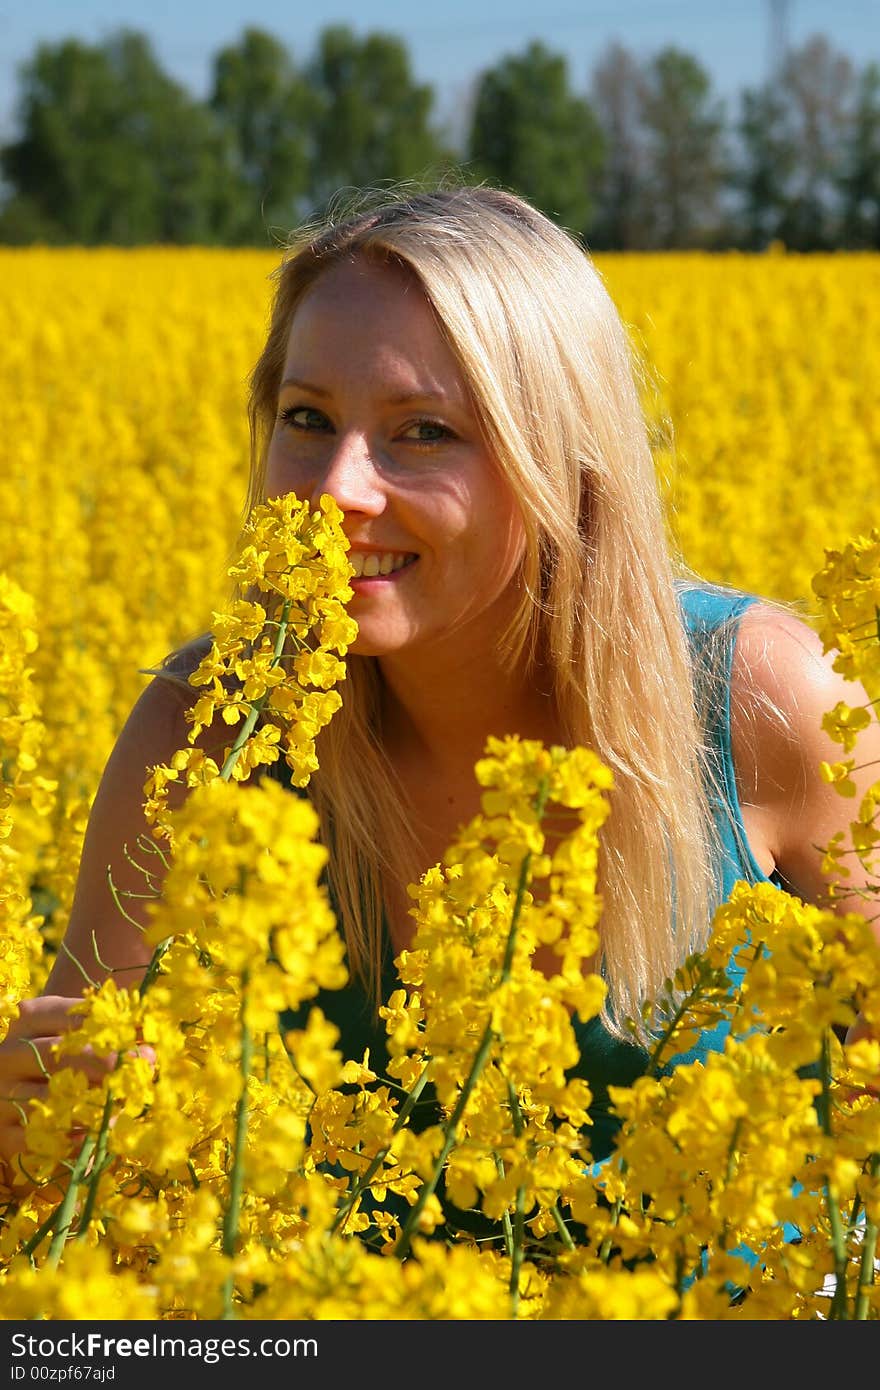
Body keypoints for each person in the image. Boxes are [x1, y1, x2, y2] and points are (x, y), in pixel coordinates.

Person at [1, 184, 878, 1188]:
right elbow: (59, 1164)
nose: (336, 489)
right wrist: (46, 1125)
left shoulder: (757, 698)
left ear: (563, 459)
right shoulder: (207, 727)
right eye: (305, 418)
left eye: (423, 432)